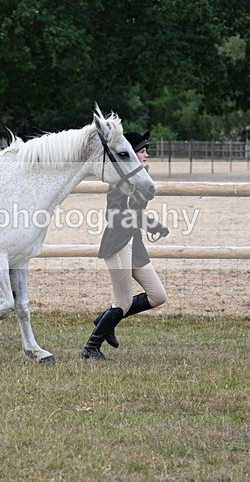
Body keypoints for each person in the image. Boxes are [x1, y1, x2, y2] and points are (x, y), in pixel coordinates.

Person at [81, 130, 169, 360]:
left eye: (145, 151)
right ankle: (91, 347)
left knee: (158, 295)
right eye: (142, 151)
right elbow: (117, 215)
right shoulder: (119, 180)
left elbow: (136, 211)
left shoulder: (141, 177)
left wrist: (151, 225)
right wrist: (151, 223)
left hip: (135, 244)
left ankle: (105, 319)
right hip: (118, 242)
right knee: (123, 301)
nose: (146, 155)